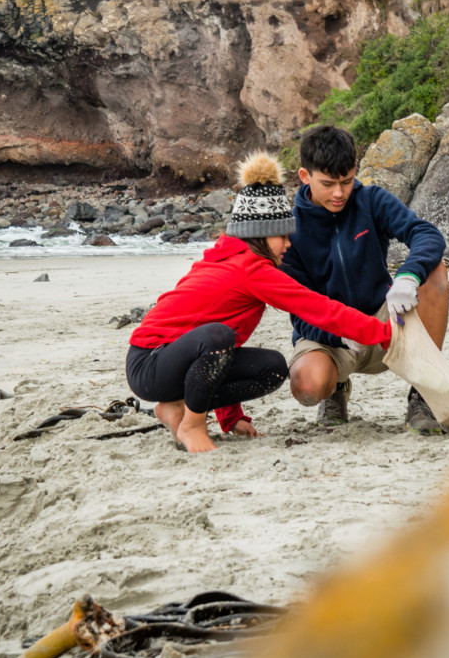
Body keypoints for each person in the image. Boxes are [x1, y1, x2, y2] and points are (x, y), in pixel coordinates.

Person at [126, 152, 393, 453]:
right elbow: (318, 308)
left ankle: (175, 407)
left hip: (179, 360)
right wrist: (381, 332)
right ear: (261, 235)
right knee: (219, 336)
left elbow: (226, 348)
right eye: (282, 236)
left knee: (272, 367)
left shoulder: (233, 255)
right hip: (149, 363)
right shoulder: (251, 269)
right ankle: (193, 424)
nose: (288, 244)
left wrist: (231, 418)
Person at [281, 125, 449, 434]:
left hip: (385, 320)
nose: (339, 193)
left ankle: (424, 395)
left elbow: (425, 234)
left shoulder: (371, 200)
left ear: (355, 170)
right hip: (330, 333)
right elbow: (299, 311)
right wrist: (339, 332)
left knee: (436, 273)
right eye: (328, 183)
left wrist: (407, 278)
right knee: (307, 385)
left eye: (346, 181)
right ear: (304, 176)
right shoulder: (289, 229)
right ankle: (334, 391)